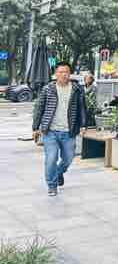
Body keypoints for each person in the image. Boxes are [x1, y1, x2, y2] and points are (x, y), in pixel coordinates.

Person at [32, 62, 87, 197]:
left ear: (69, 74)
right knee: (51, 158)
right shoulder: (47, 89)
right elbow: (39, 108)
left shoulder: (77, 89)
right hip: (50, 131)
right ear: (55, 74)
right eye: (60, 72)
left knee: (68, 158)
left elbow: (82, 108)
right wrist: (35, 128)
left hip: (69, 131)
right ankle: (52, 185)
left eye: (66, 72)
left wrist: (83, 125)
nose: (63, 74)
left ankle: (58, 172)